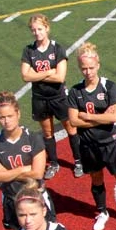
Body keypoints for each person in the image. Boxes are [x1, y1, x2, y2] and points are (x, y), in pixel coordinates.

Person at [67, 42, 116, 230]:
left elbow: (114, 117)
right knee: (96, 179)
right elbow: (73, 121)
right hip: (89, 145)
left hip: (111, 143)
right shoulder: (75, 91)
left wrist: (87, 116)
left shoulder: (109, 87)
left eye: (90, 67)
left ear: (98, 65)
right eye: (84, 68)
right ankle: (102, 211)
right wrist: (102, 118)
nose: (87, 72)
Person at [20, 14, 83, 179]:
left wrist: (37, 74)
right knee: (47, 132)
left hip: (59, 96)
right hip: (40, 98)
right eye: (34, 30)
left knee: (71, 128)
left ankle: (78, 161)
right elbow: (25, 76)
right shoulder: (28, 50)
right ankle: (54, 163)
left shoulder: (57, 48)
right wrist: (48, 72)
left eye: (39, 29)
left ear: (47, 28)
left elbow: (60, 77)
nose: (37, 33)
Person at [0, 92, 56, 229]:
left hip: (36, 198)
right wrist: (23, 169)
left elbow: (37, 173)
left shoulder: (33, 138)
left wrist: (7, 174)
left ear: (18, 114)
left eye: (10, 116)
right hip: (11, 198)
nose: (6, 121)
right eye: (2, 117)